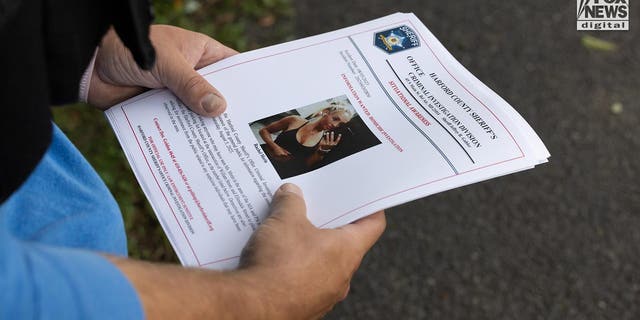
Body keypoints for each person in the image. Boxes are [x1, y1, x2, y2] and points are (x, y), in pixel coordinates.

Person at [0, 1, 386, 319]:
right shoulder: (296, 119)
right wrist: (259, 302)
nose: (333, 121)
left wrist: (77, 52)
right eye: (335, 114)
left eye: (339, 121)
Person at [259, 101, 353, 178]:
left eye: (340, 125)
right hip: (263, 158)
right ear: (326, 112)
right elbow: (264, 130)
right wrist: (274, 146)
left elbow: (306, 165)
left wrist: (323, 151)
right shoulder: (295, 120)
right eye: (335, 119)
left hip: (279, 172)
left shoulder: (323, 141)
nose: (335, 125)